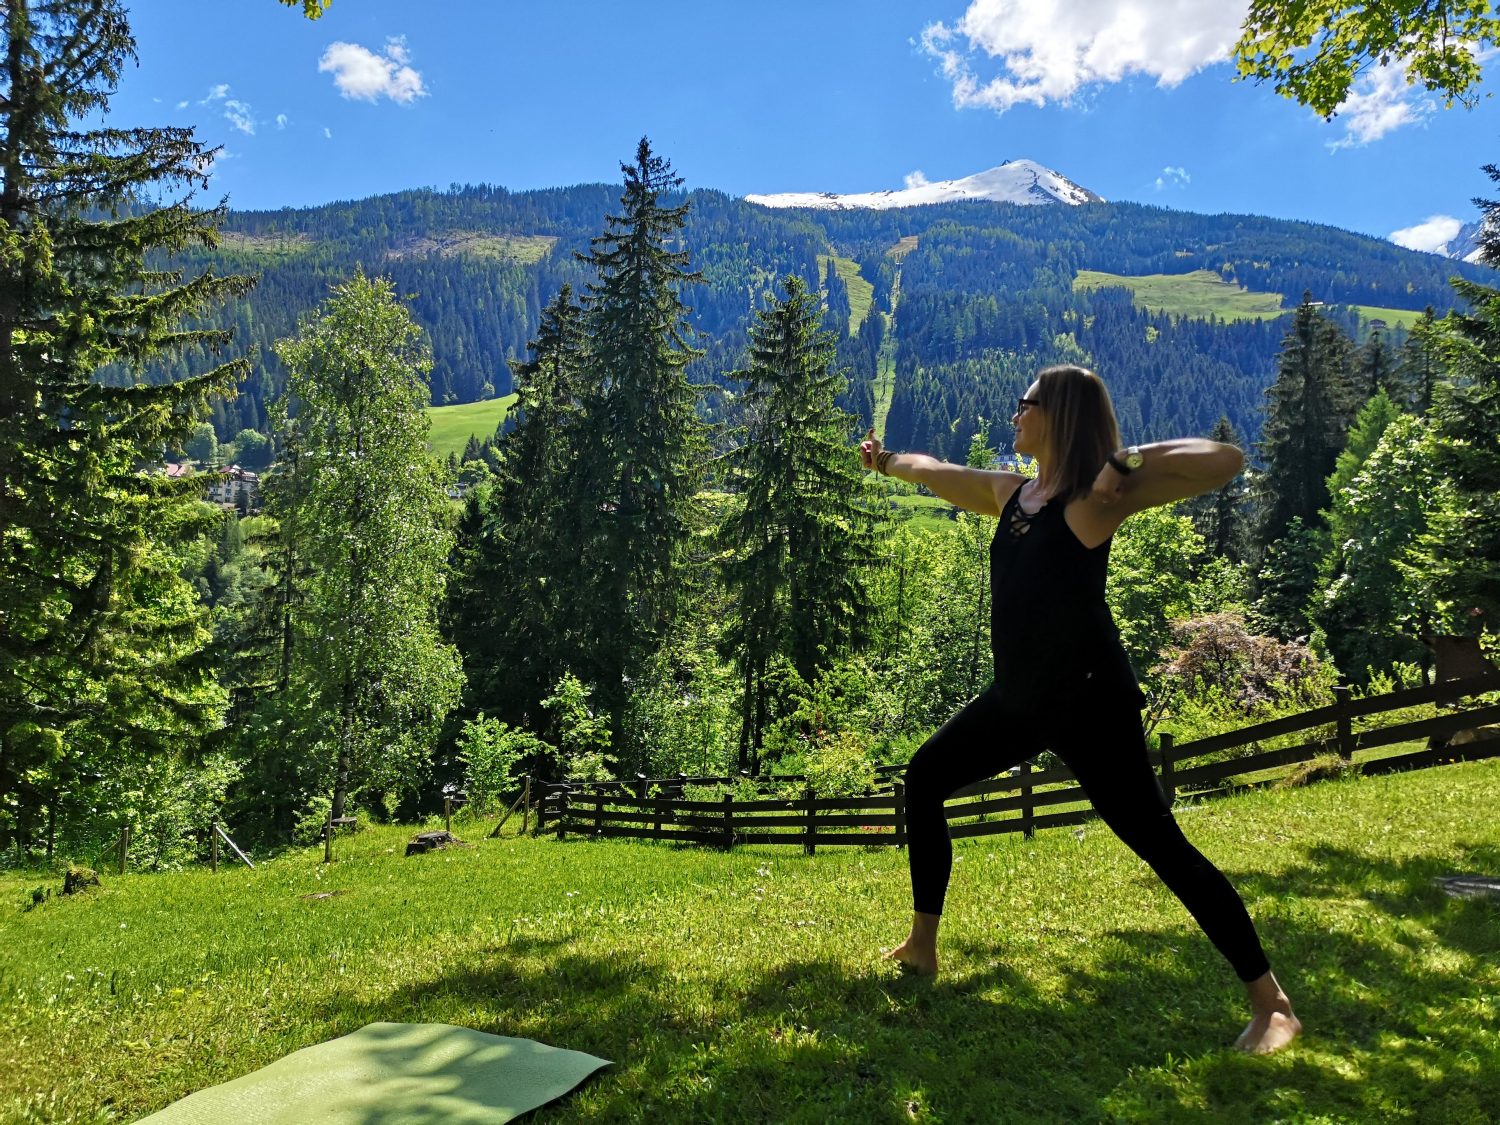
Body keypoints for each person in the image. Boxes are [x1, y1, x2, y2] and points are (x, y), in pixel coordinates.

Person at [859, 364, 1300, 1055]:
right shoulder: (1013, 495)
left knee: (1161, 844)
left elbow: (1225, 460)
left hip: (1091, 706)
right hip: (1019, 700)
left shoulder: (1095, 503)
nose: (1014, 414)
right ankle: (921, 945)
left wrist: (1123, 462)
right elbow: (934, 470)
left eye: (1024, 403)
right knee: (925, 777)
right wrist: (885, 461)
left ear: (1057, 414)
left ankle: (1272, 1004)